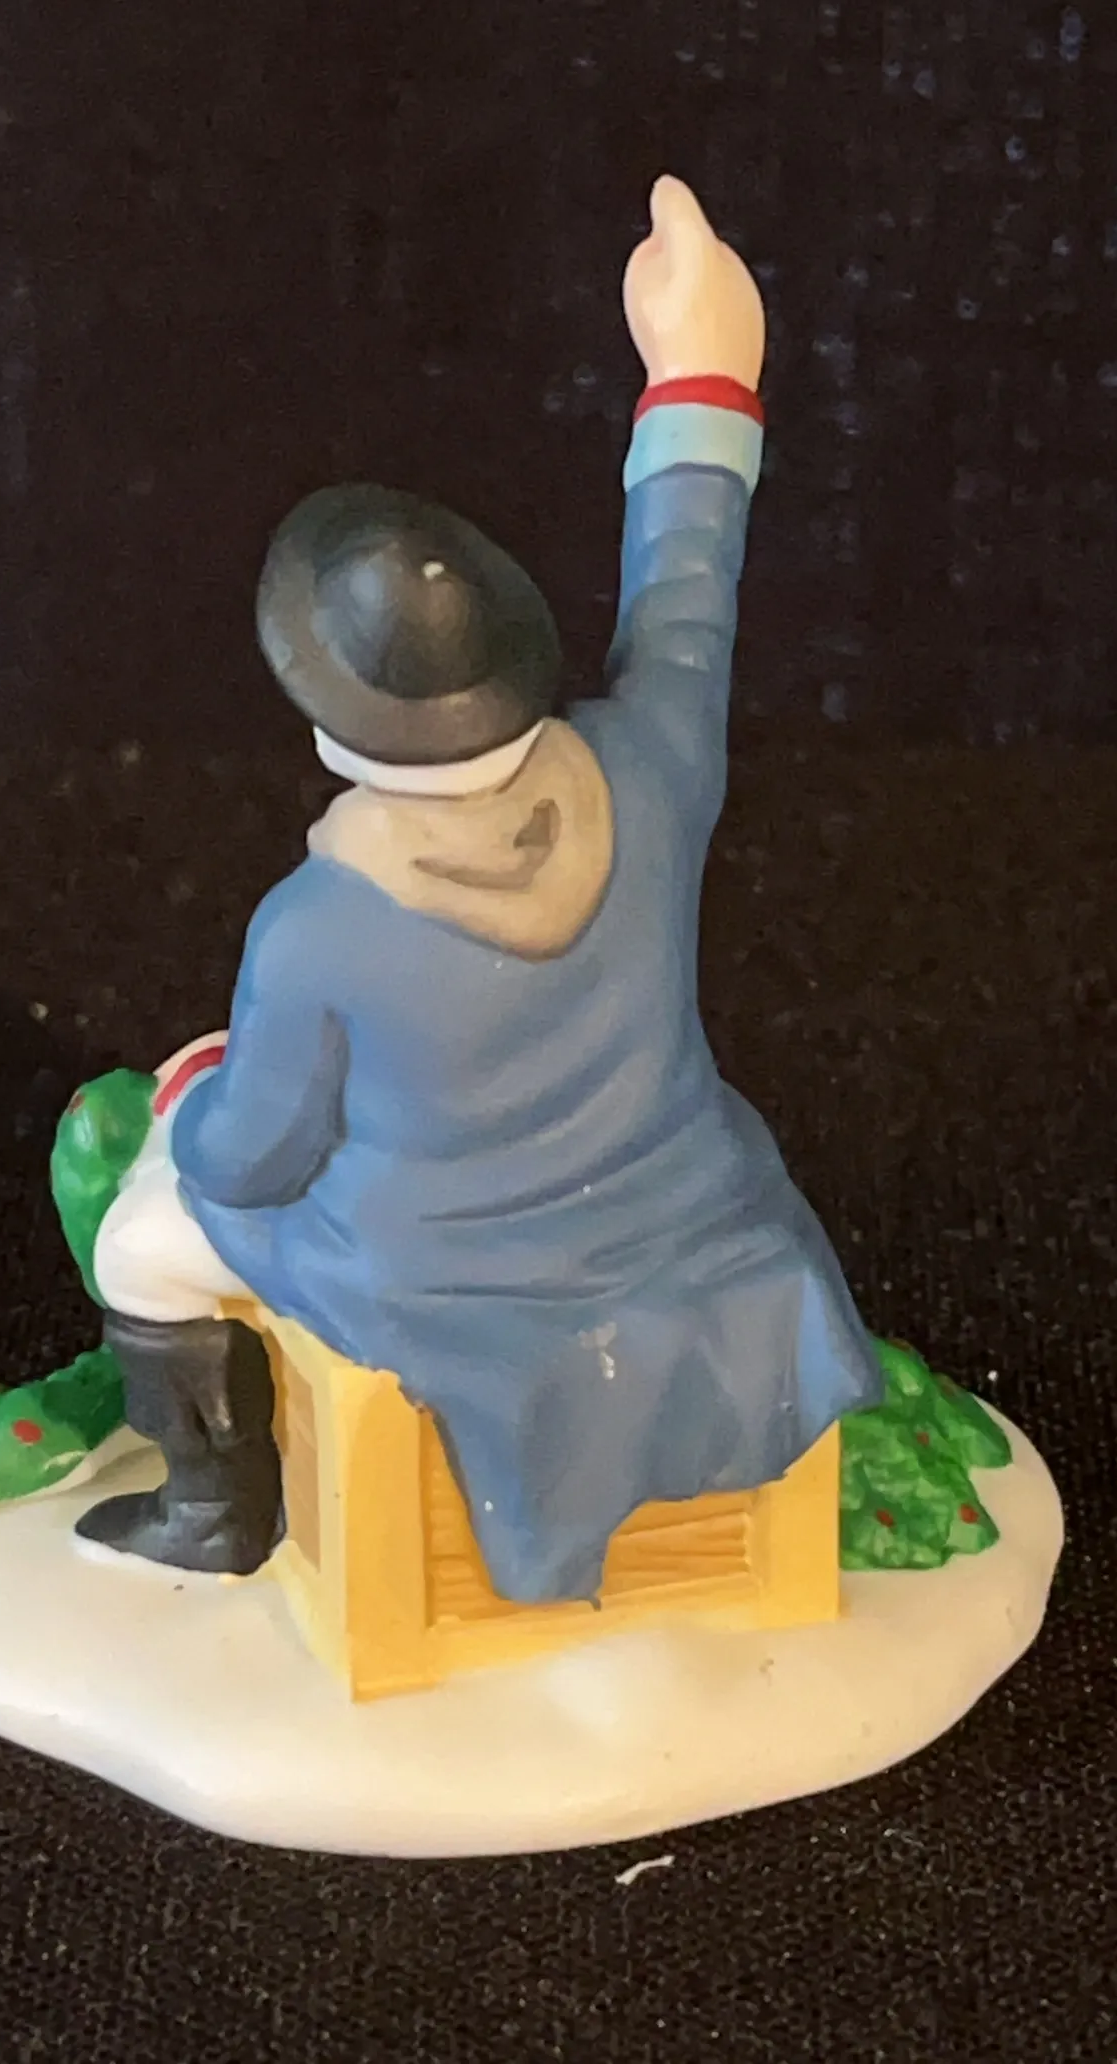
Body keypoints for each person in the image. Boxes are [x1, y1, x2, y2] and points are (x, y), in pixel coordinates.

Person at [77, 176, 883, 1598]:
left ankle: (212, 1514)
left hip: (436, 1290)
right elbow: (688, 591)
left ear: (336, 731)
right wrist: (704, 373)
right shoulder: (648, 764)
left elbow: (251, 1161)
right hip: (689, 1220)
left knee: (144, 1240)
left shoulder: (319, 928)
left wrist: (193, 1092)